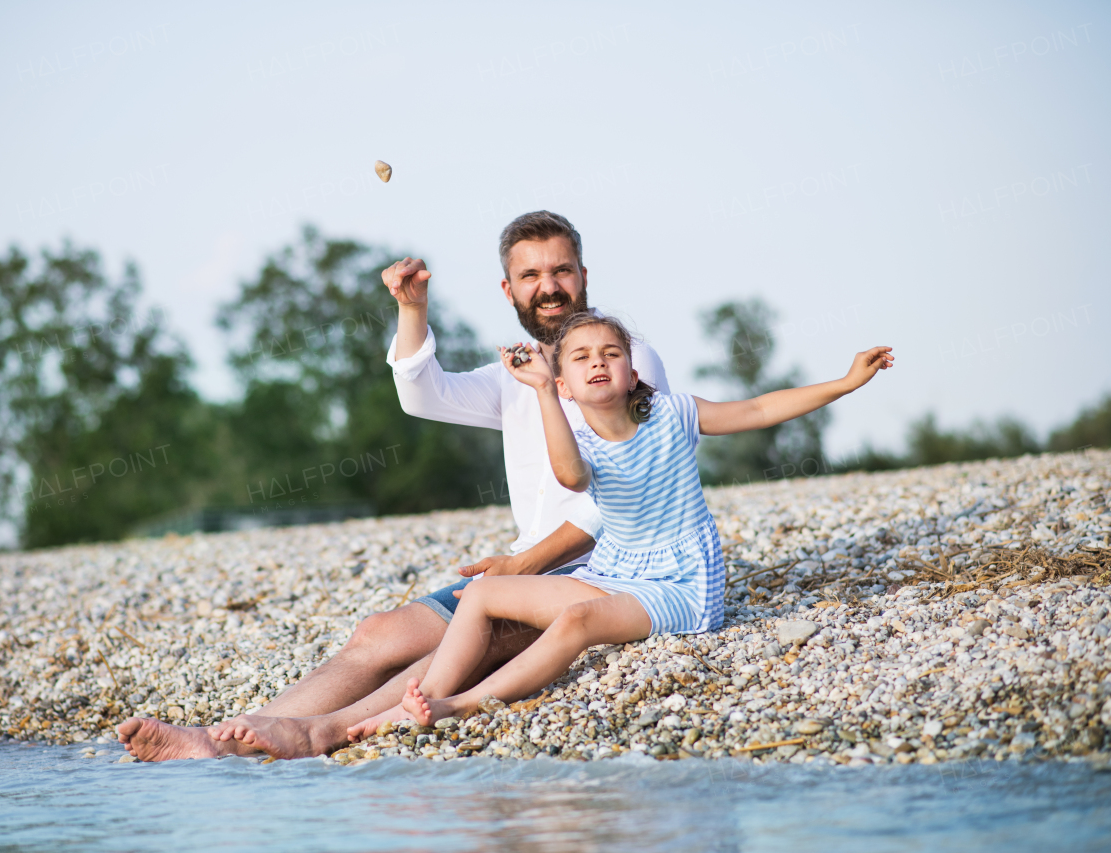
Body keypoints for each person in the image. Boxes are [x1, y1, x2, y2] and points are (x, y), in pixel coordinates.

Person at [117, 211, 672, 761]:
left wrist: (525, 564)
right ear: (509, 290)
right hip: (523, 569)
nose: (548, 288)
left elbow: (635, 487)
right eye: (531, 277)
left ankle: (317, 734)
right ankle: (222, 740)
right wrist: (411, 310)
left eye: (561, 271)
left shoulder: (623, 363)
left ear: (583, 275)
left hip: (602, 572)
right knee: (376, 634)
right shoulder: (515, 373)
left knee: (465, 645)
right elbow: (422, 396)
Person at [346, 313, 893, 733]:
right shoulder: (578, 440)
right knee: (482, 594)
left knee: (579, 621)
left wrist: (844, 383)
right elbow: (571, 475)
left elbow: (756, 410)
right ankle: (415, 704)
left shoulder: (674, 413)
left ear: (633, 373)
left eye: (611, 352)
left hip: (681, 584)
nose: (598, 361)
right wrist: (537, 389)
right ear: (565, 384)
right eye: (580, 357)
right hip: (616, 571)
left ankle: (457, 705)